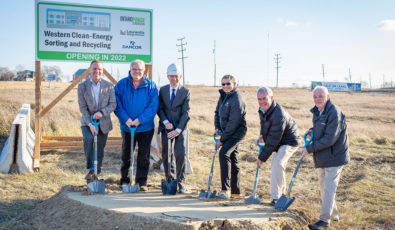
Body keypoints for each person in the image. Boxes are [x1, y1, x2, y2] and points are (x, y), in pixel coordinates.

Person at [302, 86, 349, 230]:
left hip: (335, 156)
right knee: (324, 188)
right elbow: (322, 129)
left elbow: (330, 138)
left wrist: (309, 149)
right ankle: (334, 214)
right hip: (323, 156)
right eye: (315, 96)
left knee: (329, 188)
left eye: (320, 96)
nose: (317, 99)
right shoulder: (318, 111)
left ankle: (324, 221)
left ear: (328, 96)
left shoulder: (334, 112)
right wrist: (312, 131)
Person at [114, 59, 158, 192]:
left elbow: (153, 106)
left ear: (144, 70)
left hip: (145, 127)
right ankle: (125, 180)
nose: (137, 72)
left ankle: (141, 182)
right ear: (130, 70)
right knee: (126, 154)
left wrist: (140, 120)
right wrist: (126, 119)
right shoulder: (122, 84)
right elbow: (116, 103)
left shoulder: (151, 86)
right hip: (127, 127)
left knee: (144, 155)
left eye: (140, 69)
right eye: (134, 69)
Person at [255, 86, 300, 205]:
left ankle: (278, 197)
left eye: (264, 98)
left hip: (289, 141)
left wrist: (262, 157)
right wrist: (262, 137)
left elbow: (274, 139)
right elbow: (265, 127)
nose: (262, 101)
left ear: (272, 97)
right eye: (259, 99)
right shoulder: (262, 109)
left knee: (278, 163)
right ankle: (278, 197)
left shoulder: (279, 114)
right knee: (277, 166)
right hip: (278, 142)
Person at [77, 60, 116, 181]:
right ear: (90, 70)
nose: (97, 71)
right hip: (87, 121)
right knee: (88, 139)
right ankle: (90, 168)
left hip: (103, 122)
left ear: (102, 71)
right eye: (94, 69)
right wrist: (89, 123)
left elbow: (113, 104)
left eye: (99, 69)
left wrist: (102, 113)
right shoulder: (82, 86)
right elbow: (82, 108)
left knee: (99, 147)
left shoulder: (109, 86)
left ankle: (96, 172)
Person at [157, 63, 190, 193]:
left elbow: (186, 113)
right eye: (171, 76)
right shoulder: (163, 90)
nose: (174, 79)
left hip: (179, 129)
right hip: (166, 127)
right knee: (166, 154)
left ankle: (180, 181)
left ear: (180, 76)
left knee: (180, 154)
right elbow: (160, 108)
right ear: (167, 76)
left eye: (176, 76)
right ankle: (169, 179)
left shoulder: (185, 92)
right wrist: (165, 122)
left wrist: (177, 130)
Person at [214, 75, 247, 199]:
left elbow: (234, 122)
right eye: (223, 84)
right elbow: (217, 113)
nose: (225, 86)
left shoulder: (237, 98)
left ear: (235, 84)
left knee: (224, 154)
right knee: (233, 158)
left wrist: (222, 139)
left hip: (237, 132)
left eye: (228, 84)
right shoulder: (222, 96)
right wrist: (217, 129)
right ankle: (236, 192)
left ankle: (225, 190)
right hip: (225, 131)